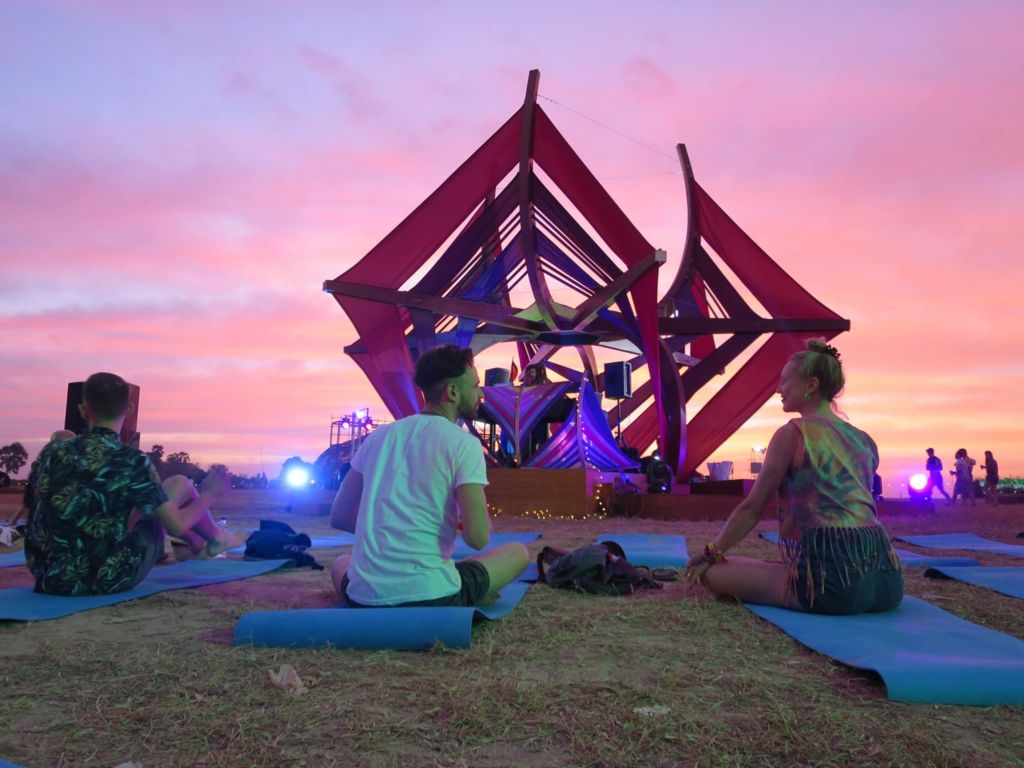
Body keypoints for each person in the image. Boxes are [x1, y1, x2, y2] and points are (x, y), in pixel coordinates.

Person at [684, 340, 903, 614]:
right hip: (887, 582)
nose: (778, 389)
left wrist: (710, 554)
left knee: (714, 573)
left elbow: (753, 507)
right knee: (749, 565)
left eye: (785, 381)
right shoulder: (863, 439)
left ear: (811, 385)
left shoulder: (793, 433)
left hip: (831, 583)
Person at [330, 344, 530, 607]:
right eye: (474, 385)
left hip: (364, 596)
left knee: (341, 563)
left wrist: (394, 534)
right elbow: (478, 538)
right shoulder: (464, 444)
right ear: (453, 392)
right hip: (432, 596)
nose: (479, 392)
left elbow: (340, 516)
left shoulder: (377, 437)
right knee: (517, 552)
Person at [24, 372, 242, 595]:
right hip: (108, 577)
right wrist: (209, 494)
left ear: (82, 410)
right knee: (178, 487)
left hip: (48, 575)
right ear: (128, 410)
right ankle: (215, 538)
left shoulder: (51, 452)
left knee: (162, 494)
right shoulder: (132, 460)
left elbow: (33, 506)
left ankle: (202, 541)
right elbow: (176, 525)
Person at [4, 430, 76, 530]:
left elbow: (26, 502)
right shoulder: (73, 465)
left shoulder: (40, 465)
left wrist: (11, 523)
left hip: (40, 526)